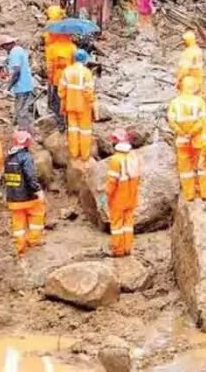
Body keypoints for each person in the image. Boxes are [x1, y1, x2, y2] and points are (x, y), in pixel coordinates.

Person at [168, 76, 206, 202]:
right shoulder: (200, 101)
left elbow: (171, 121)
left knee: (185, 169)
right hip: (197, 139)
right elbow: (202, 121)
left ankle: (189, 194)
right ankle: (205, 193)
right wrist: (192, 132)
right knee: (202, 167)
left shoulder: (174, 102)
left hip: (182, 140)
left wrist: (182, 132)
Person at [4, 131, 44, 256]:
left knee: (18, 224)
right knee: (37, 215)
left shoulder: (8, 157)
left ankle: (19, 247)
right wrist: (38, 190)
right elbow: (30, 176)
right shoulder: (25, 157)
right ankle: (34, 240)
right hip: (28, 197)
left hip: (13, 199)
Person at [101, 129, 140, 257]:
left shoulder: (115, 160)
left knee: (117, 225)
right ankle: (128, 248)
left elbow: (112, 182)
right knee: (128, 224)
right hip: (131, 197)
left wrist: (105, 195)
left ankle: (118, 250)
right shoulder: (134, 157)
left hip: (118, 198)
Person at [59, 49, 95, 161]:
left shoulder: (67, 71)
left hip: (70, 105)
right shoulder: (86, 72)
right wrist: (92, 102)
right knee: (85, 131)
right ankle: (84, 155)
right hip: (83, 106)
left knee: (72, 129)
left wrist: (63, 102)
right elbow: (88, 91)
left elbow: (61, 90)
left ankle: (74, 154)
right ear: (84, 60)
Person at [0, 36, 35, 131]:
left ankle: (24, 135)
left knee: (21, 112)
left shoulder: (14, 52)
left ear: (7, 45)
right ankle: (29, 132)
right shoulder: (19, 50)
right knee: (22, 111)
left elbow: (17, 72)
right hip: (25, 85)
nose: (5, 50)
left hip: (22, 86)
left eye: (4, 48)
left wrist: (8, 88)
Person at [45, 30, 76, 134]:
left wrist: (50, 79)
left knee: (57, 102)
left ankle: (61, 124)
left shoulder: (52, 48)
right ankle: (69, 122)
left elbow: (50, 66)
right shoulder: (72, 47)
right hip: (70, 80)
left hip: (57, 79)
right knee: (68, 101)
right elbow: (75, 64)